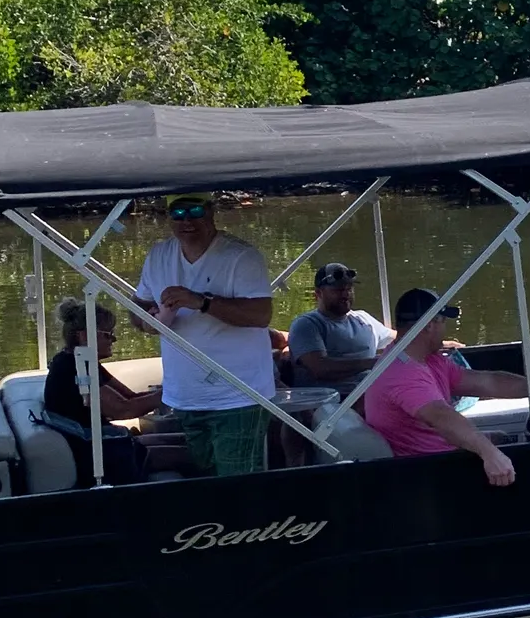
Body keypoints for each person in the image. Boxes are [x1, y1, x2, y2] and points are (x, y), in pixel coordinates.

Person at [361, 287, 530, 481]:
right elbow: (442, 417)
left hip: (441, 459)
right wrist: (488, 452)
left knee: (508, 440)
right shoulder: (402, 373)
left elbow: (487, 382)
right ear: (430, 325)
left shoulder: (427, 359)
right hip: (429, 476)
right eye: (443, 322)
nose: (445, 329)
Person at [134, 193, 278, 478]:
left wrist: (202, 302)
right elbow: (137, 306)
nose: (186, 220)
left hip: (239, 395)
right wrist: (148, 321)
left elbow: (261, 315)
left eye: (195, 210)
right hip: (184, 395)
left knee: (237, 482)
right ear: (167, 216)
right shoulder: (158, 255)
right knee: (203, 481)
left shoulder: (240, 256)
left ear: (211, 211)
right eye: (177, 213)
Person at [40, 298, 150, 485]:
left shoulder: (83, 361)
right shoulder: (73, 367)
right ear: (84, 336)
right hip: (96, 454)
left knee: (181, 440)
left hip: (103, 442)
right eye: (108, 334)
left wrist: (171, 394)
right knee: (184, 452)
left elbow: (129, 397)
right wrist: (170, 396)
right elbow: (124, 409)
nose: (113, 339)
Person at [287, 263, 394, 392]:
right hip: (331, 403)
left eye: (349, 289)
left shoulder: (363, 319)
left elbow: (399, 339)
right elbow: (320, 368)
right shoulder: (307, 324)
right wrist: (373, 363)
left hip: (372, 395)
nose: (345, 295)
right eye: (337, 290)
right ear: (318, 294)